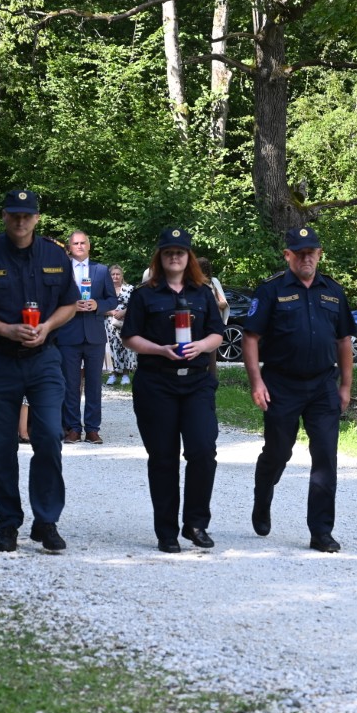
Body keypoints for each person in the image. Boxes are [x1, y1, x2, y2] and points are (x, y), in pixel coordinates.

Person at [0, 189, 78, 553]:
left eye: (27, 215)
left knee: (49, 437)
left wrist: (48, 326)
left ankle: (46, 521)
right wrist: (6, 330)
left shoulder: (55, 254)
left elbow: (70, 303)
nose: (21, 221)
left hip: (44, 359)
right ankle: (8, 523)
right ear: (4, 216)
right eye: (14, 214)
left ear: (37, 218)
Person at [242, 226, 355, 553]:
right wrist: (256, 382)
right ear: (288, 255)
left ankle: (321, 532)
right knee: (278, 453)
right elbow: (250, 338)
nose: (307, 258)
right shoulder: (271, 290)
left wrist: (345, 386)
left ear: (319, 254)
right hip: (281, 385)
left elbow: (344, 340)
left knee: (325, 458)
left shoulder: (333, 291)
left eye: (312, 252)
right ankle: (263, 494)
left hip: (322, 386)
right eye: (300, 253)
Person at [122, 228, 224, 553]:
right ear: (160, 257)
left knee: (203, 450)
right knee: (163, 458)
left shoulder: (202, 293)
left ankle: (195, 523)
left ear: (188, 256)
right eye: (169, 252)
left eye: (180, 252)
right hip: (157, 383)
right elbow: (129, 336)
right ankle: (166, 532)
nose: (174, 257)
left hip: (196, 382)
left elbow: (217, 333)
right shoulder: (144, 294)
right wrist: (159, 349)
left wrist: (201, 346)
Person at [55, 231, 116, 444]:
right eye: (75, 243)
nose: (79, 246)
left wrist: (98, 304)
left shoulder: (101, 270)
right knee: (70, 384)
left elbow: (112, 300)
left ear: (89, 246)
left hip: (94, 334)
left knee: (94, 385)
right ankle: (73, 428)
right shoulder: (61, 270)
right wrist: (71, 306)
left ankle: (92, 429)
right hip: (68, 334)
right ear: (69, 248)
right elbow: (53, 298)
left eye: (83, 243)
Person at [197, 256, 230, 379]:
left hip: (211, 324)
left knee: (211, 354)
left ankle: (211, 379)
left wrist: (211, 304)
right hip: (197, 323)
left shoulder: (214, 282)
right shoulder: (192, 283)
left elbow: (224, 304)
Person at [105, 264, 136, 386]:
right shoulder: (105, 289)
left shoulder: (130, 289)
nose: (115, 276)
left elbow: (136, 305)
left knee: (126, 347)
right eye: (113, 274)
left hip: (125, 322)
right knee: (111, 348)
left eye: (118, 274)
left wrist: (123, 312)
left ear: (122, 275)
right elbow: (99, 306)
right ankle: (113, 374)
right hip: (109, 323)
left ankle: (125, 374)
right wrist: (112, 312)